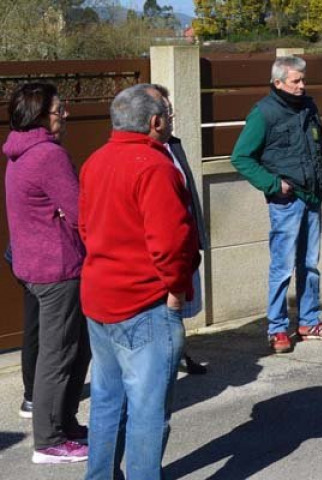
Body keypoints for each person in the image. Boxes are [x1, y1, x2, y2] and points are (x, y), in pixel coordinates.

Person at [79, 83, 200, 479]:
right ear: (154, 121)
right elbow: (171, 243)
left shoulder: (95, 161)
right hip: (144, 304)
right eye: (168, 112)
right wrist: (176, 292)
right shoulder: (155, 167)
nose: (169, 119)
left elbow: (85, 227)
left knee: (107, 401)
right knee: (148, 412)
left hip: (101, 298)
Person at [4, 82, 92, 464]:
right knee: (59, 355)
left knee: (72, 350)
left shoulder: (19, 152)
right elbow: (80, 213)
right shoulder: (47, 155)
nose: (66, 114)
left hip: (33, 265)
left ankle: (66, 426)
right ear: (41, 115)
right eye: (59, 109)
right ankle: (50, 440)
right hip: (56, 270)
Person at [231, 56, 322, 354]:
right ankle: (277, 328)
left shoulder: (309, 106)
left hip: (312, 197)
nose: (302, 86)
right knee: (282, 268)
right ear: (278, 83)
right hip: (286, 202)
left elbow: (316, 148)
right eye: (296, 81)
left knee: (310, 265)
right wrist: (272, 185)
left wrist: (321, 184)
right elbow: (241, 157)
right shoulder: (263, 113)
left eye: (303, 80)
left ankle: (308, 323)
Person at [160, 87, 208, 375]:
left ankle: (178, 351)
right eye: (167, 110)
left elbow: (189, 191)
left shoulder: (174, 144)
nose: (173, 115)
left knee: (181, 305)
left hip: (186, 238)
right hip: (168, 243)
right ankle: (171, 354)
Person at [3, 246, 40, 418]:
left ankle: (32, 397)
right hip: (43, 260)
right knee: (44, 329)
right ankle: (33, 396)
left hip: (23, 255)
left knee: (35, 326)